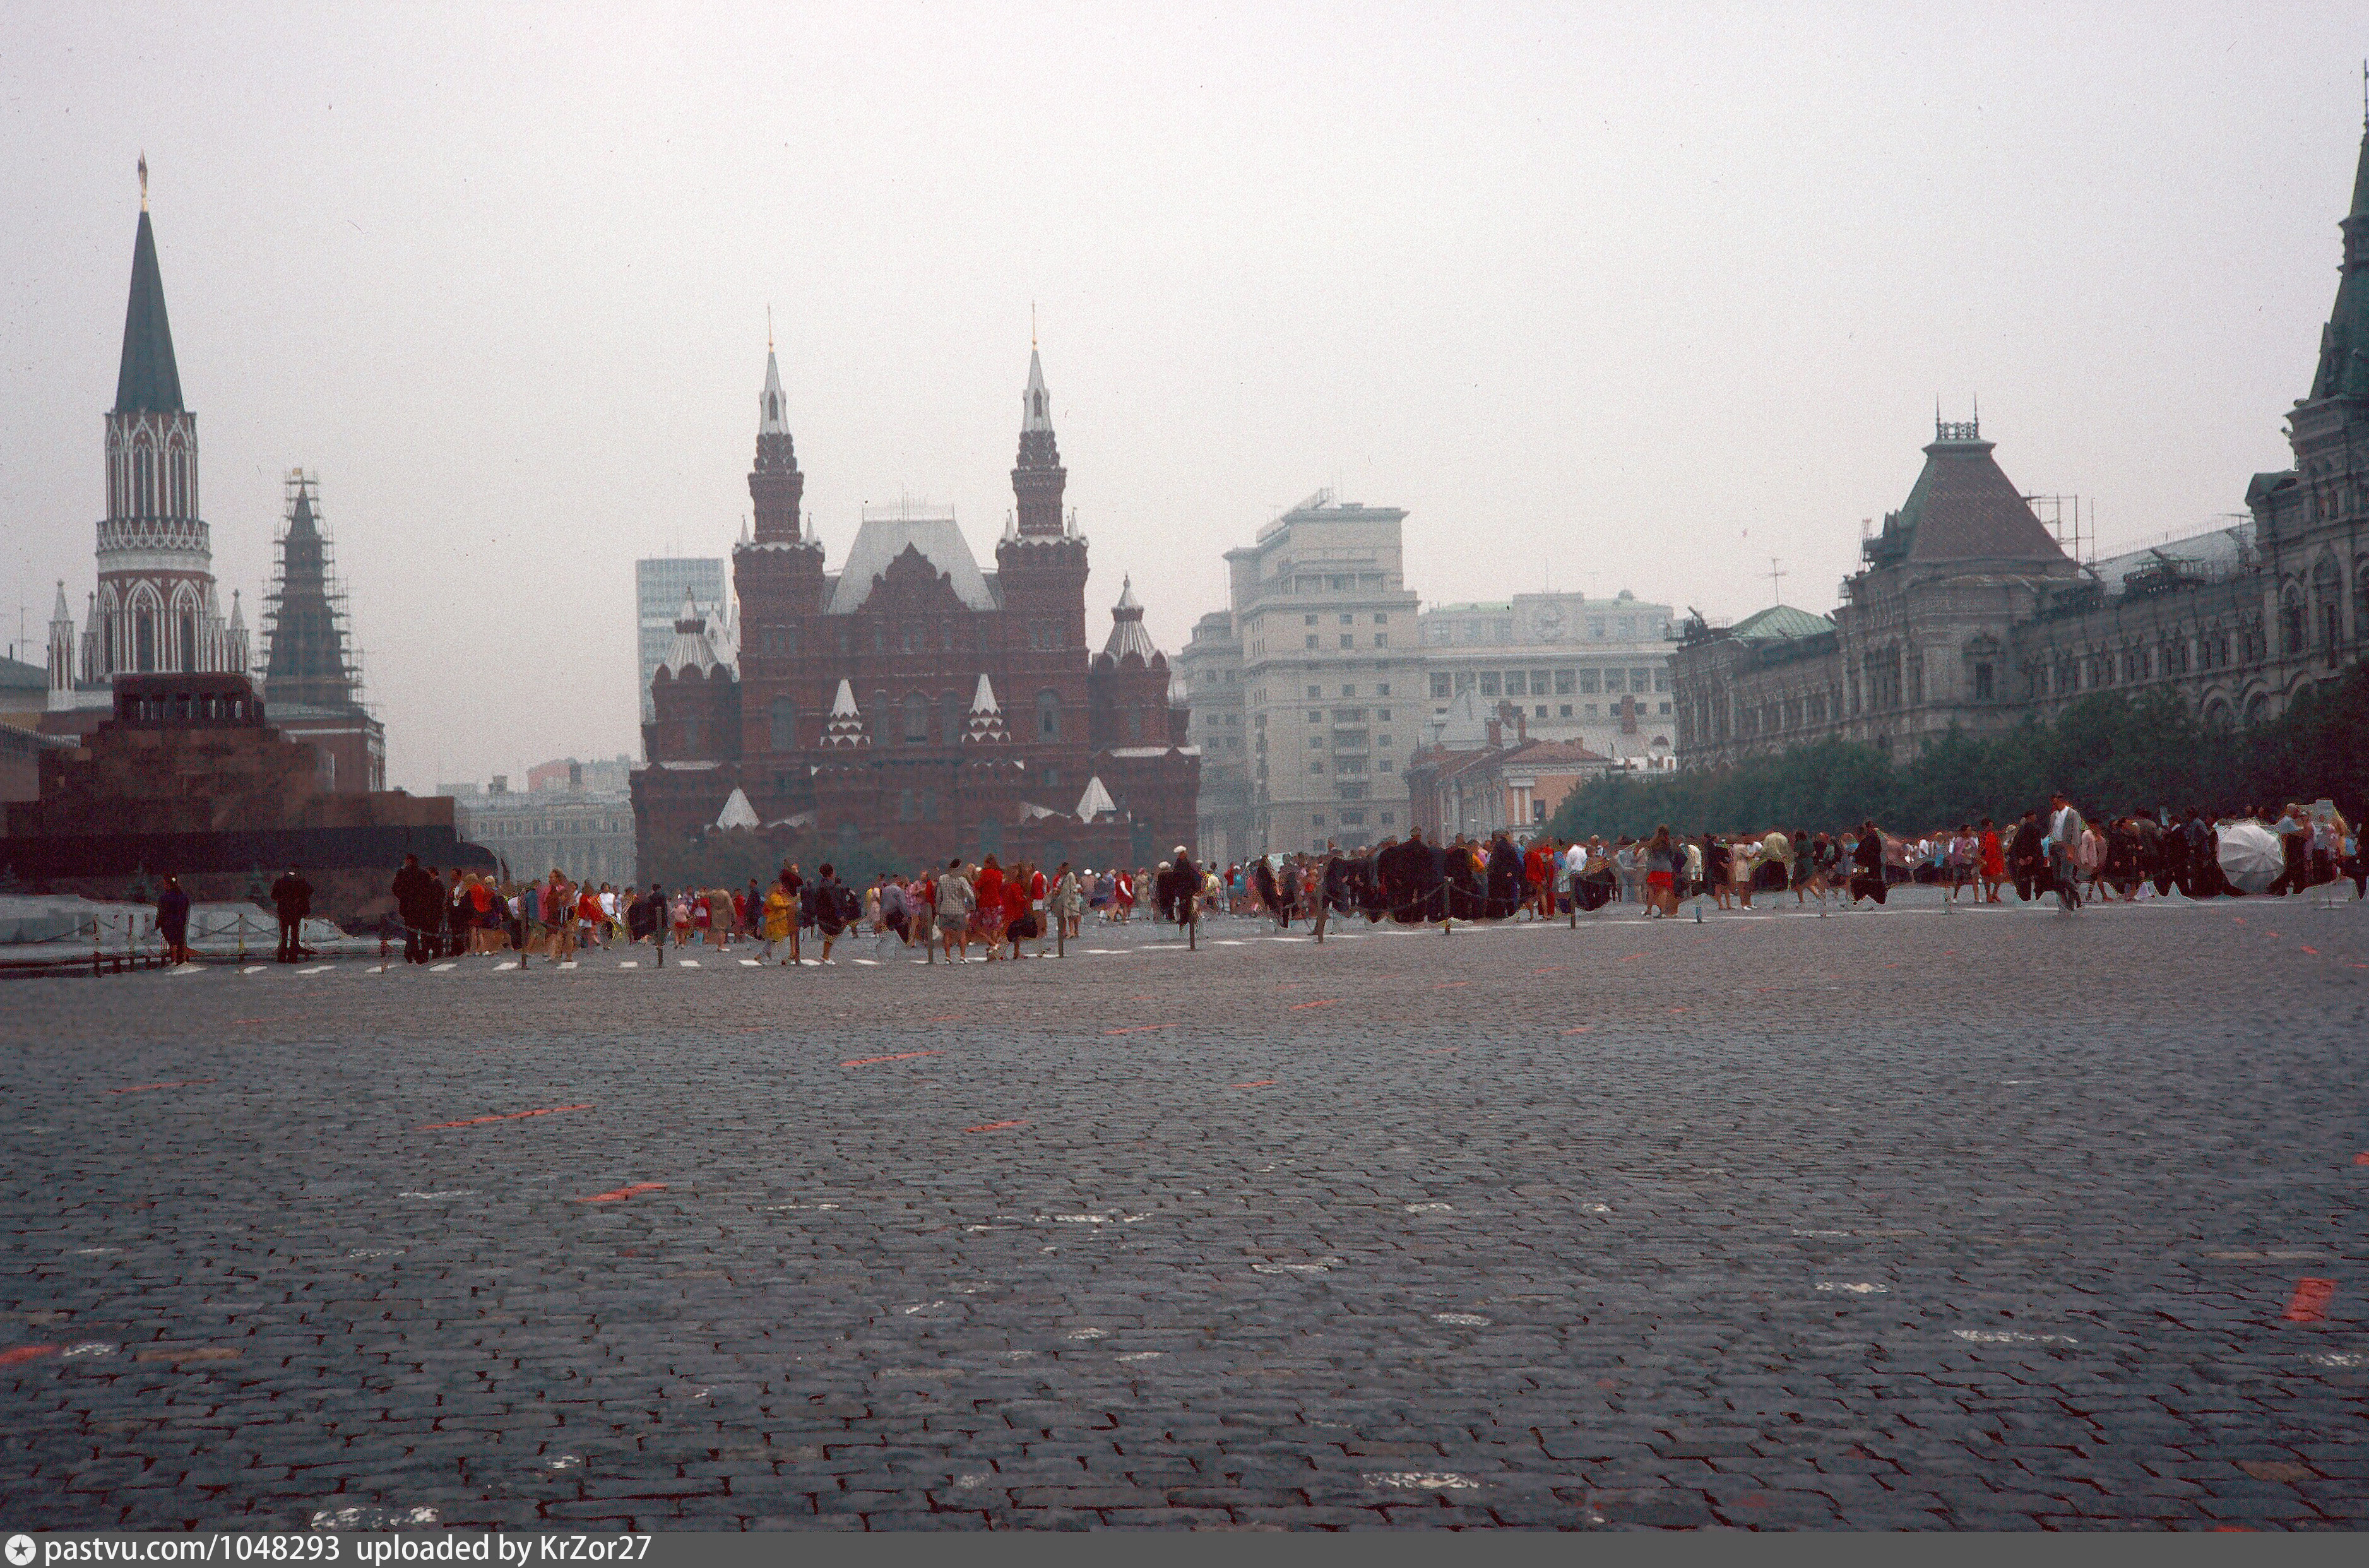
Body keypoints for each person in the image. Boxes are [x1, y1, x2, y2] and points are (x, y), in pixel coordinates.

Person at [2046, 792, 2086, 913]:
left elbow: (2076, 833)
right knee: (2056, 879)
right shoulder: (2053, 816)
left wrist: (2072, 850)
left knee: (2065, 877)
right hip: (2055, 847)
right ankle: (2066, 903)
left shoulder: (2073, 814)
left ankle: (2077, 898)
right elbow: (2052, 833)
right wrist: (2049, 850)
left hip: (2066, 846)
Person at [392, 853, 436, 965]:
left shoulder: (402, 874)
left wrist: (404, 898)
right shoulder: (423, 874)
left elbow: (395, 889)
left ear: (408, 861)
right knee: (422, 931)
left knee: (411, 931)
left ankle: (412, 952)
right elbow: (429, 891)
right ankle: (420, 953)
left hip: (408, 907)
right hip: (421, 907)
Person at [270, 865, 313, 963]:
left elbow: (308, 892)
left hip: (292, 912)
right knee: (288, 934)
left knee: (290, 934)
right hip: (288, 912)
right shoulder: (287, 883)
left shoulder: (297, 883)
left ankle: (289, 955)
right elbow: (275, 895)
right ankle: (287, 955)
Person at [935, 858, 975, 961]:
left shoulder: (942, 879)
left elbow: (939, 896)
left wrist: (938, 908)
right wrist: (972, 905)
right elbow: (969, 894)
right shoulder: (961, 879)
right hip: (959, 909)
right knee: (962, 933)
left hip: (945, 909)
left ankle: (948, 957)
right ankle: (963, 957)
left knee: (947, 934)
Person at [156, 874, 192, 966]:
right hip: (180, 922)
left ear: (168, 884)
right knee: (180, 942)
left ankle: (174, 962)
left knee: (173, 943)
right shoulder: (182, 896)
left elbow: (162, 912)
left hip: (169, 924)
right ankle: (182, 962)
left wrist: (159, 923)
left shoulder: (165, 898)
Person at [1978, 817, 2005, 903]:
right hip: (1986, 858)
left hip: (1996, 857)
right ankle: (1988, 894)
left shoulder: (1994, 834)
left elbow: (1999, 846)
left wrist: (2002, 856)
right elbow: (1981, 847)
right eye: (1991, 823)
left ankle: (1995, 892)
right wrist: (1981, 859)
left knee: (2001, 875)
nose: (1992, 825)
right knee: (1987, 877)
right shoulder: (1983, 835)